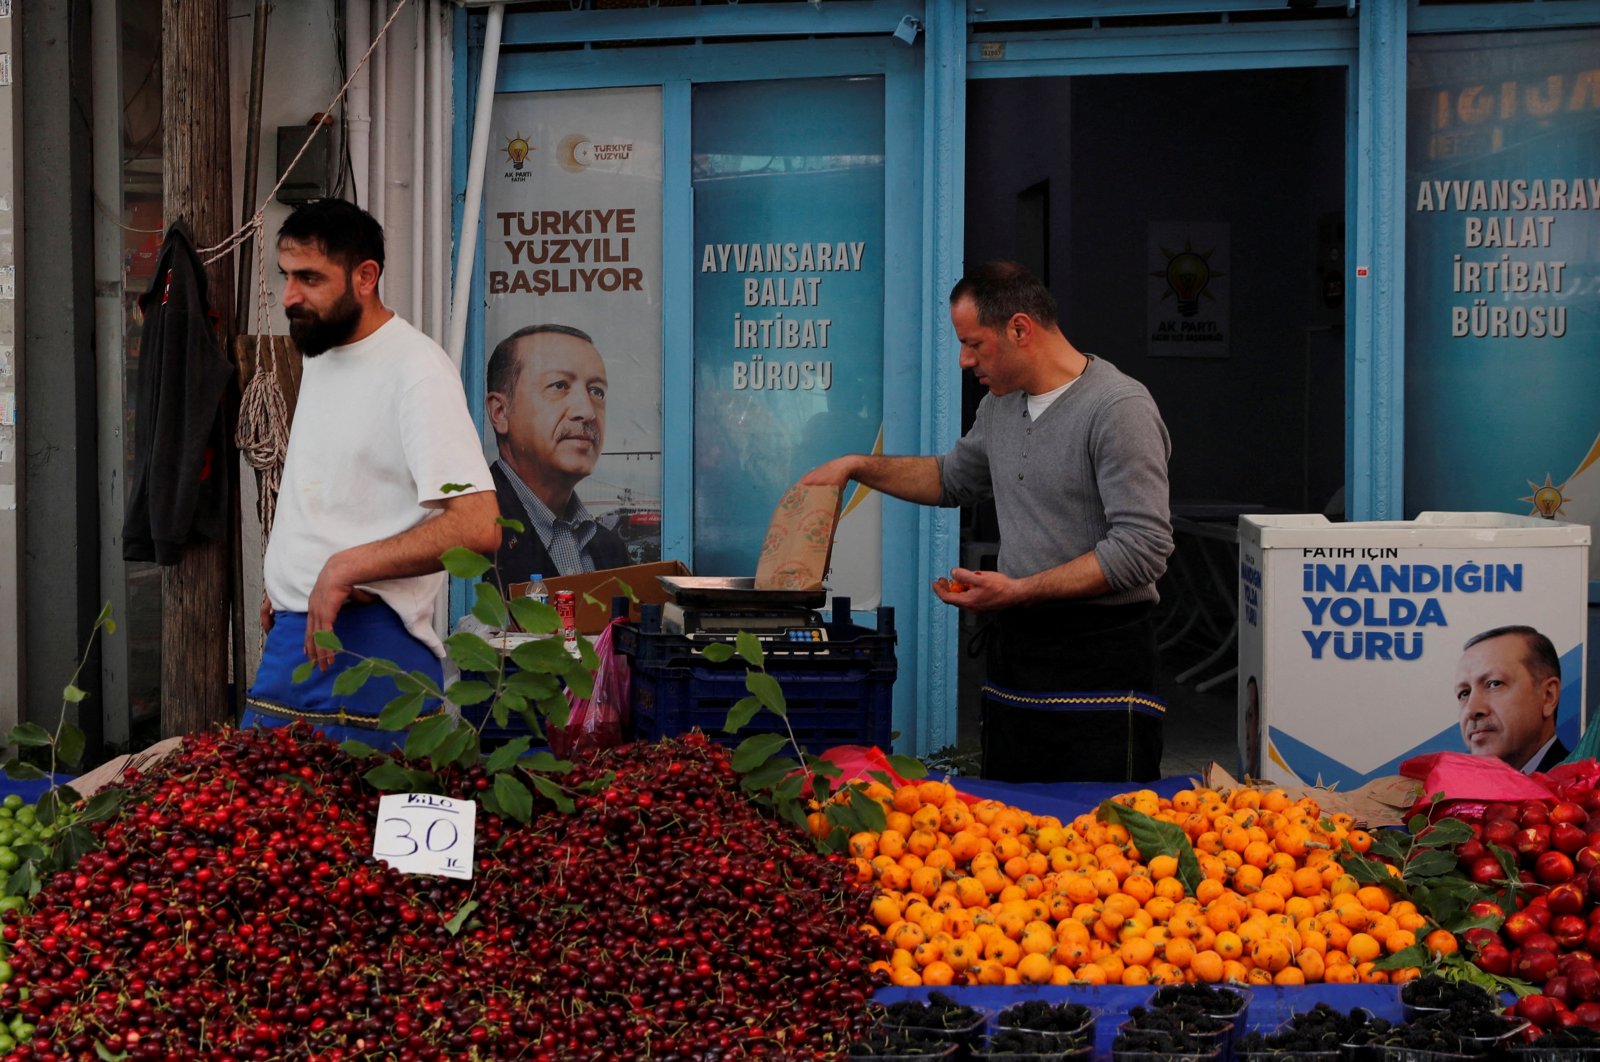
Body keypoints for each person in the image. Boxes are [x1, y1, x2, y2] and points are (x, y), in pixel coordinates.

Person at [803, 261, 1173, 783]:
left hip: (1103, 658)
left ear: (1020, 328)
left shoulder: (1119, 408)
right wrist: (857, 466)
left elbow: (1143, 549)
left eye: (974, 344)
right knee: (1010, 828)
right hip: (1018, 653)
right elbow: (952, 479)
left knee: (1102, 835)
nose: (963, 360)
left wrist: (1019, 590)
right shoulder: (1000, 407)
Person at [244, 198, 500, 750]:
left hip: (372, 646)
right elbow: (344, 486)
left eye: (310, 278)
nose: (289, 297)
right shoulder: (322, 351)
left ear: (365, 277)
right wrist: (291, 570)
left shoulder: (417, 371)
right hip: (295, 638)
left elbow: (479, 528)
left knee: (358, 832)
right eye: (286, 276)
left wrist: (342, 567)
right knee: (260, 828)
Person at [484, 324, 628, 582]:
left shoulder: (611, 551)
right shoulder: (471, 530)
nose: (587, 411)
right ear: (500, 413)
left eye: (596, 391)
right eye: (559, 386)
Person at [1455, 624, 1568, 774]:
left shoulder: (1589, 792)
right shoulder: (1448, 794)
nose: (1472, 710)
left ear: (1548, 696)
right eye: (1464, 693)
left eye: (1494, 684)